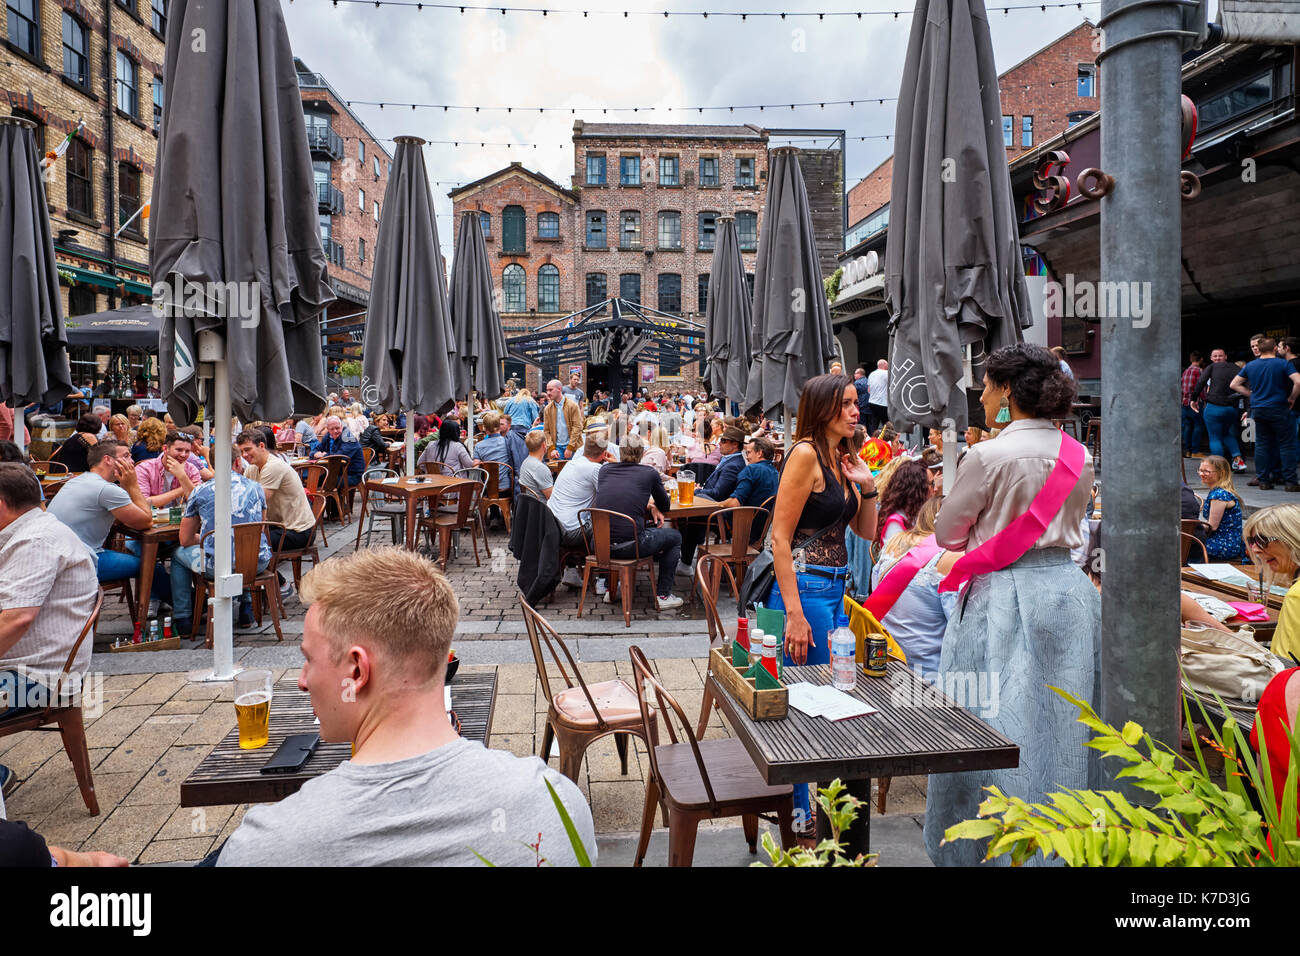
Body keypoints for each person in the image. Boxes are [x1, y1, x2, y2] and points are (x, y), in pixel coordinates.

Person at [212, 547, 594, 866]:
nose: (301, 680)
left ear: (357, 669)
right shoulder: (558, 806)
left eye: (309, 659)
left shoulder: (265, 848)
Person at [923, 343, 1098, 868]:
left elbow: (948, 533)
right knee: (1065, 721)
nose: (981, 394)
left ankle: (984, 848)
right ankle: (1061, 846)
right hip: (1068, 594)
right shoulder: (1079, 454)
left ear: (1006, 391)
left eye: (987, 384)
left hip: (1000, 596)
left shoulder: (987, 454)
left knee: (986, 725)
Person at [0, 465, 98, 791]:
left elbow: (17, 618)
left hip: (35, 680)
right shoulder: (33, 531)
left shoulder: (35, 542)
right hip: (34, 670)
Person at [174, 458, 271, 633]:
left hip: (216, 568)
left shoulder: (199, 491)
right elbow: (259, 528)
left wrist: (210, 537)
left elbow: (185, 540)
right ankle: (246, 606)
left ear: (212, 465)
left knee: (178, 554)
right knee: (243, 547)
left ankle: (183, 618)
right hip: (257, 563)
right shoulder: (256, 488)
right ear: (237, 462)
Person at [869, 497, 962, 677]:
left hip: (885, 661)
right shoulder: (949, 557)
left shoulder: (894, 544)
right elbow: (961, 630)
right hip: (927, 676)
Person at [591, 436, 684, 610]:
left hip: (599, 544)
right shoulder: (649, 473)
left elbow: (620, 492)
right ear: (642, 453)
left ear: (621, 452)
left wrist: (648, 504)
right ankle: (663, 595)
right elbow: (665, 505)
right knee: (675, 536)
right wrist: (653, 505)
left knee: (625, 528)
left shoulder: (605, 470)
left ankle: (611, 589)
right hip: (631, 546)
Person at [47, 439, 154, 588]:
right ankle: (188, 609)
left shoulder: (78, 480)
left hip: (54, 556)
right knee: (151, 567)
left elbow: (121, 518)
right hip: (81, 561)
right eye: (126, 456)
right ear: (108, 460)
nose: (132, 461)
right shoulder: (106, 489)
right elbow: (146, 522)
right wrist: (133, 485)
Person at [237, 429, 315, 595]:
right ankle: (251, 591)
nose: (244, 455)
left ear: (262, 446)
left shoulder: (273, 466)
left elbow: (258, 500)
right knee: (242, 540)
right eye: (241, 451)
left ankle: (280, 585)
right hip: (279, 525)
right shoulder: (253, 468)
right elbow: (243, 497)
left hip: (299, 530)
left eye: (248, 449)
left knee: (249, 545)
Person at [1231, 337, 1300, 491]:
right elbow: (1298, 381)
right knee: (1286, 444)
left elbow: (1234, 384)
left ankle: (1263, 480)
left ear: (1259, 349)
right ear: (1275, 348)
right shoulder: (1283, 364)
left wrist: (1250, 394)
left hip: (1258, 409)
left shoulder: (1251, 366)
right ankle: (1290, 482)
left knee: (1261, 444)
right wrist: (1292, 398)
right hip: (1279, 407)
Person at [549, 424, 612, 586]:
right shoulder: (594, 469)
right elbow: (613, 496)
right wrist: (615, 464)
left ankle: (571, 572)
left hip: (552, 525)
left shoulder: (571, 464)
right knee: (605, 523)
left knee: (583, 515)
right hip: (571, 531)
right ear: (604, 454)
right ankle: (603, 580)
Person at [1243, 503, 1300, 665]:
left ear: (1292, 539)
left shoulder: (1297, 594)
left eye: (1262, 540)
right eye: (1251, 541)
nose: (1255, 549)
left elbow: (1286, 664)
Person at [1191, 348, 1248, 473]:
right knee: (1226, 433)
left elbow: (1201, 382)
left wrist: (1193, 398)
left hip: (1214, 407)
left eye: (1220, 356)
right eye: (1215, 356)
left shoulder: (1211, 367)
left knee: (1214, 437)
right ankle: (1238, 459)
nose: (1217, 358)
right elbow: (1247, 384)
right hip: (1231, 408)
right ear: (1211, 358)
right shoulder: (1236, 368)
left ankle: (1219, 468)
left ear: (1225, 356)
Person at [1195, 455, 1245, 561]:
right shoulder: (1219, 492)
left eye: (1206, 471)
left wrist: (1190, 526)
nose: (1201, 474)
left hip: (1224, 545)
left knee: (1184, 546)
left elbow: (1212, 526)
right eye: (1200, 470)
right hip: (1226, 542)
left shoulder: (1219, 495)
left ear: (1221, 473)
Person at [134, 431, 202, 508]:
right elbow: (143, 503)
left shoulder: (191, 469)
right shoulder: (144, 469)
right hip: (152, 519)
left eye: (187, 451)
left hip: (182, 519)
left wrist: (182, 477)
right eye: (179, 450)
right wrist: (182, 489)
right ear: (165, 448)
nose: (183, 455)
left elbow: (198, 502)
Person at [876, 459, 930, 550]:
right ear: (918, 490)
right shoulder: (895, 522)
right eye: (931, 484)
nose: (935, 488)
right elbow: (896, 558)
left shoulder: (915, 514)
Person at [474, 411, 525, 493]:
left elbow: (475, 468)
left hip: (487, 488)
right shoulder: (507, 442)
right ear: (499, 426)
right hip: (506, 488)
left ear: (485, 429)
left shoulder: (478, 446)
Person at [311, 416, 365, 490]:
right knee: (312, 481)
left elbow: (340, 456)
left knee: (325, 483)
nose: (335, 431)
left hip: (351, 474)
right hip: (336, 472)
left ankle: (329, 501)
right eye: (332, 429)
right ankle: (318, 501)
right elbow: (315, 450)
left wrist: (323, 455)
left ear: (341, 426)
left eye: (337, 428)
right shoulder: (328, 436)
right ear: (328, 429)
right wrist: (314, 454)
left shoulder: (348, 437)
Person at [543, 379, 584, 461]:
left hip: (573, 447)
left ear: (559, 389)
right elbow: (546, 430)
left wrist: (570, 447)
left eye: (551, 390)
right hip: (556, 448)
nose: (548, 393)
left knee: (573, 472)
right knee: (558, 473)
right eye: (547, 390)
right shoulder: (547, 409)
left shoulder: (572, 406)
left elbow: (577, 427)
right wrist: (551, 448)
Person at [1181, 350, 1208, 457]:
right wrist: (1205, 399)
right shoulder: (1200, 371)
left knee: (1187, 426)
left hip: (1185, 402)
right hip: (1195, 402)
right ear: (1201, 359)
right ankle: (1195, 451)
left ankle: (1187, 450)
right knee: (1198, 425)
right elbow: (1201, 388)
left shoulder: (1185, 371)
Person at [517, 431, 554, 499]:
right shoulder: (540, 468)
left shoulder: (525, 462)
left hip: (530, 506)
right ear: (543, 445)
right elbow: (552, 498)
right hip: (542, 507)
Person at [865, 359, 890, 434]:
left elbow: (868, 390)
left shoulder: (871, 374)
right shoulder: (887, 373)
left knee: (874, 423)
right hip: (883, 403)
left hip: (872, 402)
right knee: (886, 424)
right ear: (885, 365)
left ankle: (873, 439)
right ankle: (888, 439)